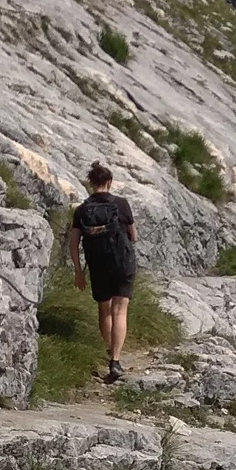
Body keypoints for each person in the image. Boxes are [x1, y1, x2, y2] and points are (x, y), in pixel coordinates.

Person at [70, 162, 138, 383]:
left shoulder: (81, 210)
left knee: (104, 310)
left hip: (98, 265)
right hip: (122, 263)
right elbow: (133, 236)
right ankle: (115, 360)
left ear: (91, 183)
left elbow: (73, 244)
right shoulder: (121, 204)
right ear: (109, 182)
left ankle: (111, 351)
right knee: (120, 311)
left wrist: (78, 272)